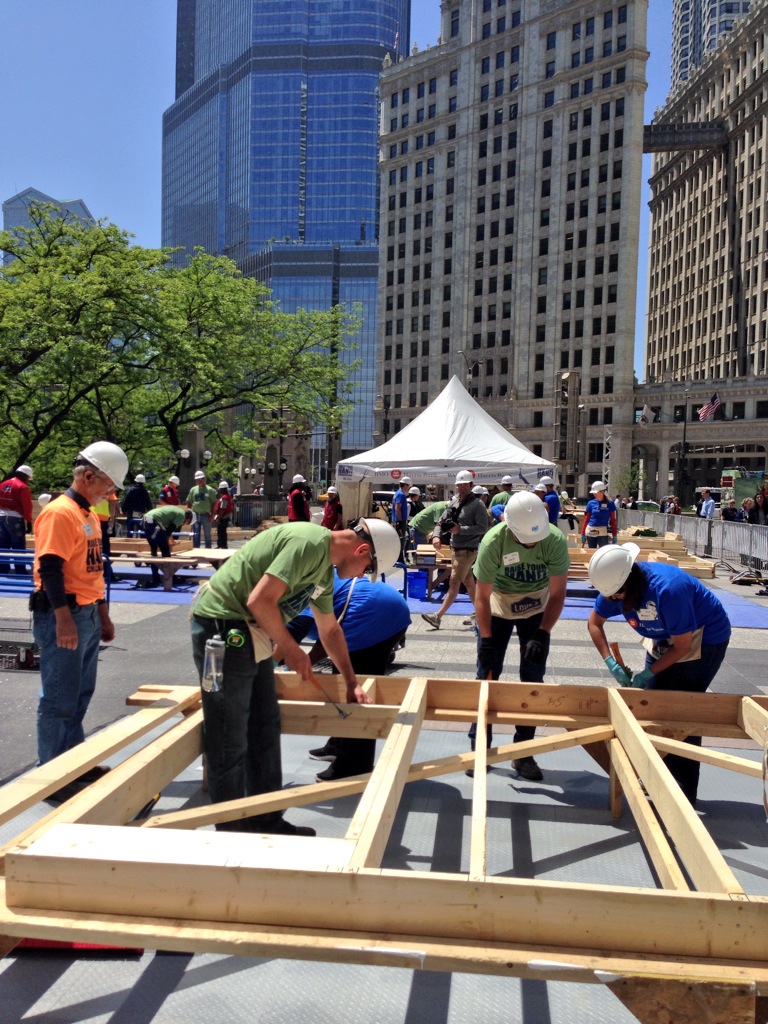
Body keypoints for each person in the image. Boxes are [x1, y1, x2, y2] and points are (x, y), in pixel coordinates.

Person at [189, 517, 401, 835]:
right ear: (360, 550)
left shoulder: (323, 571)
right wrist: (292, 649)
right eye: (367, 569)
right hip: (224, 629)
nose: (362, 576)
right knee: (229, 737)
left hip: (251, 633)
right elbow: (259, 600)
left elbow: (329, 630)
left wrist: (351, 682)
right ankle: (231, 833)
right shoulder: (308, 543)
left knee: (264, 726)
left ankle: (266, 821)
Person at [587, 542, 731, 806]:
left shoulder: (668, 589)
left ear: (631, 580)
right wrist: (610, 661)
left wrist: (648, 672)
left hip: (704, 638)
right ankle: (657, 773)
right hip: (666, 636)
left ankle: (683, 789)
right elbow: (594, 623)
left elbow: (684, 646)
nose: (615, 601)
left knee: (681, 709)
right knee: (651, 705)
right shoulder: (613, 587)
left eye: (618, 596)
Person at [31, 441, 129, 794]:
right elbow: (50, 567)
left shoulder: (88, 513)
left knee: (79, 693)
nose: (110, 492)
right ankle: (52, 774)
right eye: (107, 484)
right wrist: (63, 618)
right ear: (88, 476)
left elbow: (93, 569)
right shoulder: (61, 513)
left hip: (84, 610)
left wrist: (101, 613)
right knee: (59, 697)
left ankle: (72, 760)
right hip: (65, 611)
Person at [471, 491, 570, 781]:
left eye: (533, 539)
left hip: (536, 607)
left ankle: (523, 753)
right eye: (524, 539)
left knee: (533, 678)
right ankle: (479, 748)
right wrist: (487, 639)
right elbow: (481, 596)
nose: (530, 543)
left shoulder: (552, 539)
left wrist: (542, 632)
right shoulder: (493, 541)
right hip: (498, 605)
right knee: (487, 675)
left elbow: (558, 593)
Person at [284, 571, 411, 781]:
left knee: (353, 688)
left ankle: (354, 765)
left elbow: (288, 643)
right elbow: (329, 636)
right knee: (341, 681)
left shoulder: (298, 594)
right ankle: (338, 744)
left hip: (375, 616)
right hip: (376, 610)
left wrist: (278, 663)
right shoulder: (298, 579)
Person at [421, 470, 488, 630]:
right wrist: (436, 536)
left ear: (471, 485)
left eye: (464, 484)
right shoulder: (454, 502)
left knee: (454, 582)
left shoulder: (477, 505)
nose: (461, 487)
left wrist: (461, 530)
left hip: (467, 550)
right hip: (456, 548)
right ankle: (482, 614)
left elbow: (482, 528)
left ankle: (438, 616)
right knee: (468, 582)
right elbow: (441, 521)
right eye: (459, 485)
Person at [138, 503, 194, 587]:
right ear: (188, 518)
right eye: (188, 523)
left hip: (145, 521)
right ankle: (171, 578)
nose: (185, 524)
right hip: (154, 522)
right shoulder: (181, 516)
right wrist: (167, 544)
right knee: (166, 553)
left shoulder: (176, 510)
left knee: (154, 551)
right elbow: (168, 532)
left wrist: (172, 542)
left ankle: (155, 578)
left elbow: (166, 531)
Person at [0, 464, 34, 574]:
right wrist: (29, 521)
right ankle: (20, 570)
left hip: (1, 516)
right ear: (25, 476)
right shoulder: (22, 487)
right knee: (18, 544)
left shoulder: (3, 484)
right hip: (15, 519)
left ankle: (3, 569)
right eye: (28, 478)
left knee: (3, 544)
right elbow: (27, 506)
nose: (28, 480)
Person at [581, 481, 618, 548]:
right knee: (592, 552)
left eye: (596, 492)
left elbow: (613, 520)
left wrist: (614, 534)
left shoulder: (610, 504)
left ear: (602, 492)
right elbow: (586, 519)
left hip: (602, 531)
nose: (594, 494)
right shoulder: (591, 503)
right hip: (591, 530)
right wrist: (583, 533)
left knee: (603, 552)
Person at [186, 470, 217, 547]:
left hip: (206, 515)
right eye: (197, 479)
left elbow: (214, 503)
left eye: (201, 479)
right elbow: (189, 501)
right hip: (195, 515)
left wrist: (212, 515)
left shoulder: (210, 490)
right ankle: (196, 550)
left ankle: (208, 550)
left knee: (207, 534)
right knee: (196, 534)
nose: (199, 481)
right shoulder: (193, 490)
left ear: (204, 479)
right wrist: (189, 514)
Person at [390, 477, 411, 559]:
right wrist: (400, 520)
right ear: (405, 485)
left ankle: (399, 558)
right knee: (400, 540)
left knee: (399, 540)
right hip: (400, 521)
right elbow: (397, 508)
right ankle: (399, 559)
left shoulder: (397, 493)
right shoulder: (400, 494)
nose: (409, 488)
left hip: (397, 520)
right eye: (408, 486)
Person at [211, 481, 235, 548]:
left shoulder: (225, 498)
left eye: (220, 488)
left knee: (222, 532)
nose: (219, 490)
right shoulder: (226, 497)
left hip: (223, 518)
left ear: (223, 489)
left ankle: (222, 545)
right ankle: (221, 545)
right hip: (223, 517)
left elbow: (222, 508)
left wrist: (218, 518)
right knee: (220, 531)